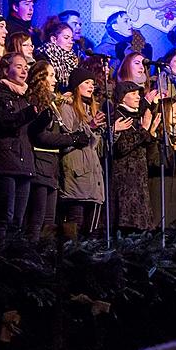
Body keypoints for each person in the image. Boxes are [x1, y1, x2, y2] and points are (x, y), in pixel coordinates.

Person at [25, 61, 88, 241]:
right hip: (40, 164)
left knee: (49, 221)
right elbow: (40, 136)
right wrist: (72, 139)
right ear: (40, 78)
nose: (55, 79)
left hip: (51, 166)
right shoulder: (37, 100)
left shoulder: (51, 102)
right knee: (37, 220)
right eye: (51, 75)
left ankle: (46, 257)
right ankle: (32, 256)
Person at [0, 53, 37, 242]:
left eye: (26, 68)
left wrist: (42, 117)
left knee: (18, 220)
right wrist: (30, 113)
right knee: (3, 217)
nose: (24, 71)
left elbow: (30, 131)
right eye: (19, 67)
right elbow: (4, 122)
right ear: (6, 70)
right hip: (6, 159)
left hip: (25, 161)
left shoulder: (25, 96)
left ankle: (15, 259)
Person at [58, 68, 106, 236]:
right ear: (76, 85)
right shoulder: (67, 106)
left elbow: (94, 147)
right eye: (86, 83)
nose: (91, 87)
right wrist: (89, 127)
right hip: (76, 173)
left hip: (91, 174)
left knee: (89, 230)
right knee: (74, 225)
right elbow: (65, 139)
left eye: (92, 83)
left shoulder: (90, 108)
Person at [111, 81, 156, 233]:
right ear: (123, 97)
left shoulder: (137, 117)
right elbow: (122, 147)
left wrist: (151, 133)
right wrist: (144, 130)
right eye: (133, 94)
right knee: (127, 230)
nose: (138, 97)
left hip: (139, 182)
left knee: (141, 232)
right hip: (125, 184)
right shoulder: (118, 116)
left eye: (139, 93)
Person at [147, 96, 176, 234]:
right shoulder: (156, 135)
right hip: (162, 189)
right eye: (171, 110)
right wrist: (169, 149)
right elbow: (154, 161)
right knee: (164, 231)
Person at [35, 18, 79, 90]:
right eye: (66, 38)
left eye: (71, 39)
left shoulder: (72, 58)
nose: (71, 42)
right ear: (53, 39)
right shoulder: (43, 56)